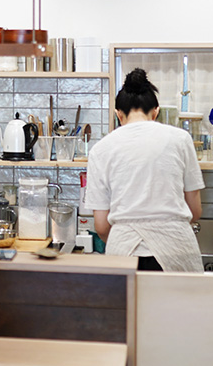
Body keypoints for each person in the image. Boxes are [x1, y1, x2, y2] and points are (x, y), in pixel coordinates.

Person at [83, 68, 204, 272]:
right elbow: (195, 211)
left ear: (118, 114)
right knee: (180, 304)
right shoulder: (181, 139)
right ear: (155, 112)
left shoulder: (100, 150)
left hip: (124, 253)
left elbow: (102, 227)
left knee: (129, 305)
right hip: (176, 251)